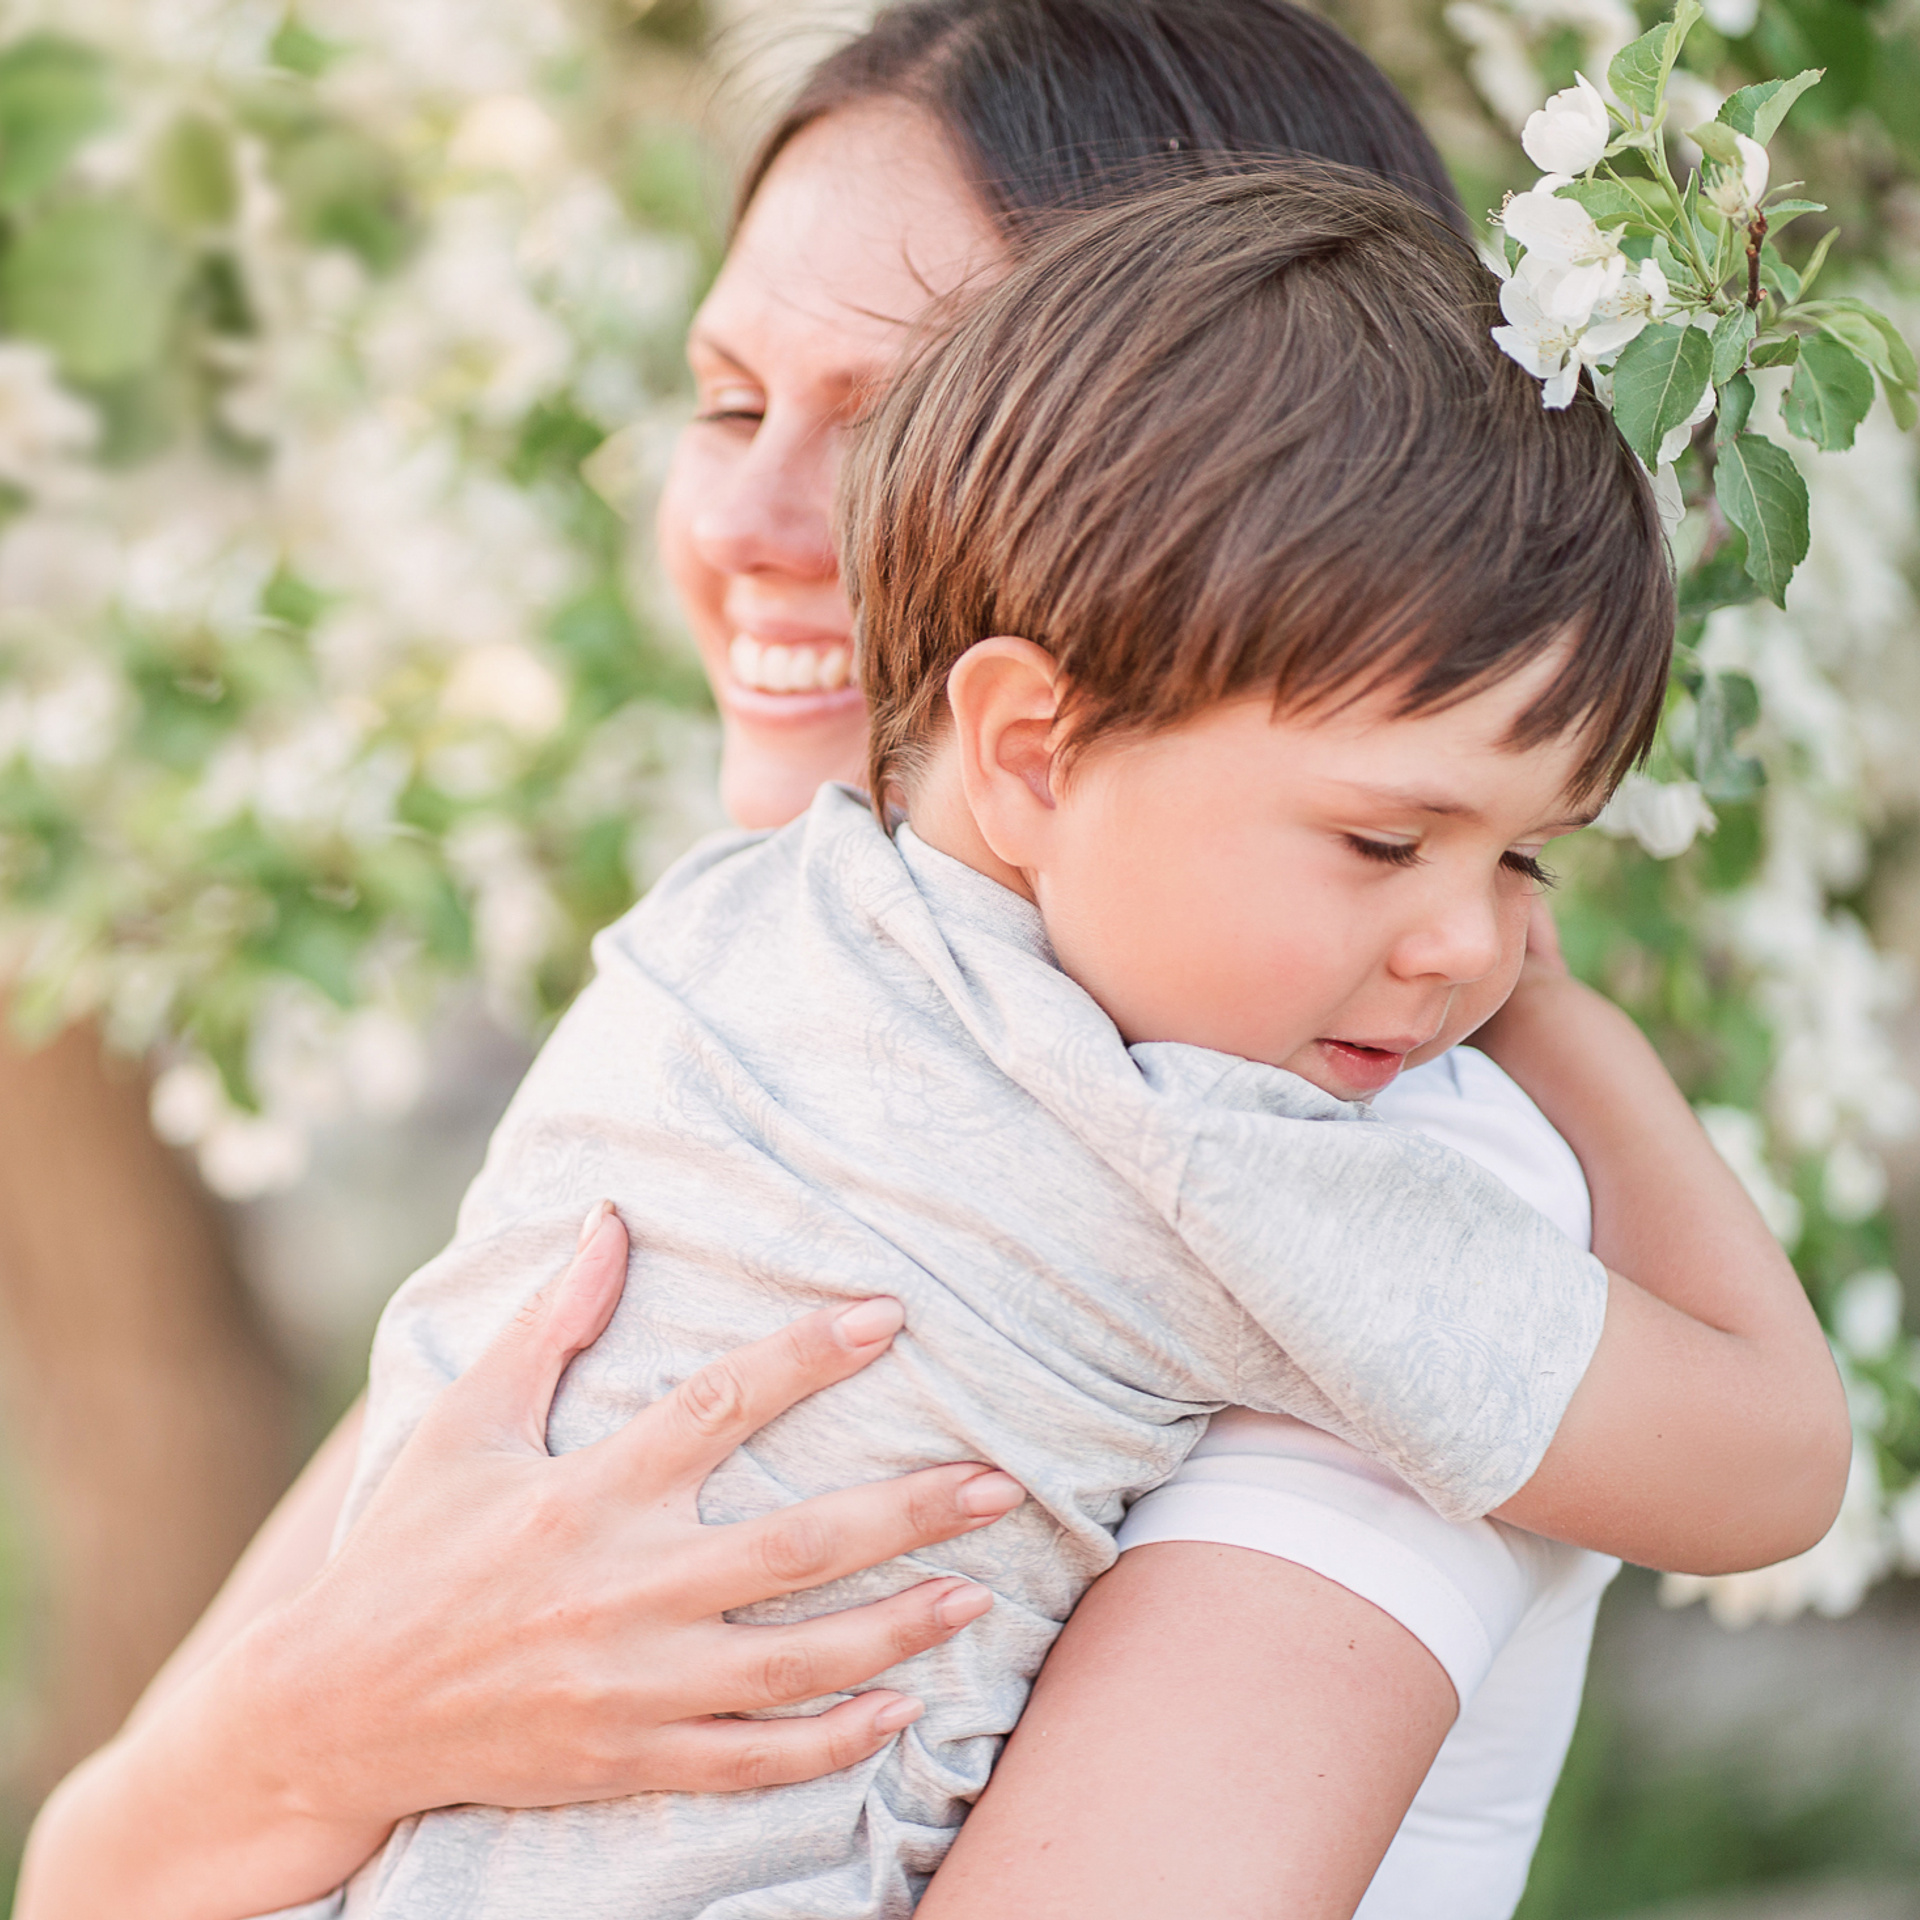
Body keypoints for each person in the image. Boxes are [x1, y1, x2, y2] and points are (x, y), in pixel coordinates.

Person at [11, 7, 1848, 1918]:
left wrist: (306, 1759)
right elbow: (90, 1875)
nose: (750, 522)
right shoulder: (747, 1049)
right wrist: (325, 1736)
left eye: (899, 420)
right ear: (1028, 737)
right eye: (732, 404)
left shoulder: (1287, 1140)